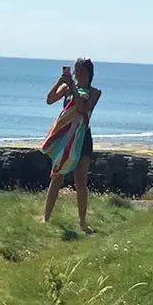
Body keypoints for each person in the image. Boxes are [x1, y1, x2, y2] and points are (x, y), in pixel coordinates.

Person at [41, 58, 101, 233]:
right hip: (66, 137)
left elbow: (83, 108)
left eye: (80, 71)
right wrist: (61, 81)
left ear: (89, 73)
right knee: (57, 176)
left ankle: (83, 222)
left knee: (80, 181)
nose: (77, 74)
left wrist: (73, 88)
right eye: (76, 71)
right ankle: (46, 217)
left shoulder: (95, 92)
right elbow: (50, 99)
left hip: (82, 138)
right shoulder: (67, 88)